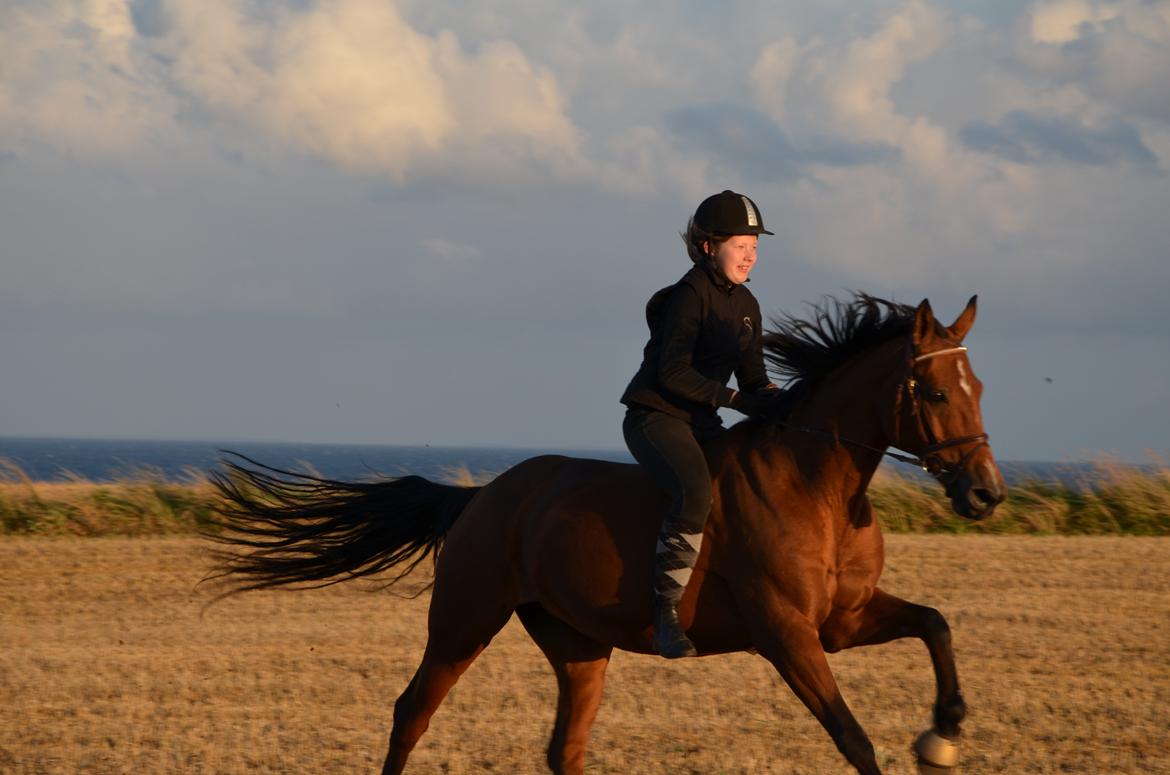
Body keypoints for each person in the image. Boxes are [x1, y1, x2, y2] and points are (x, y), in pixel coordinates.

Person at [620, 189, 792, 658]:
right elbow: (671, 374)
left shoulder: (747, 307)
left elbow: (755, 380)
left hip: (701, 421)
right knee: (696, 492)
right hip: (656, 417)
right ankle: (665, 616)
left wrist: (788, 403)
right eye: (741, 244)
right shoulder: (690, 295)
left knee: (747, 487)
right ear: (708, 247)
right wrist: (734, 399)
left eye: (755, 245)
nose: (751, 254)